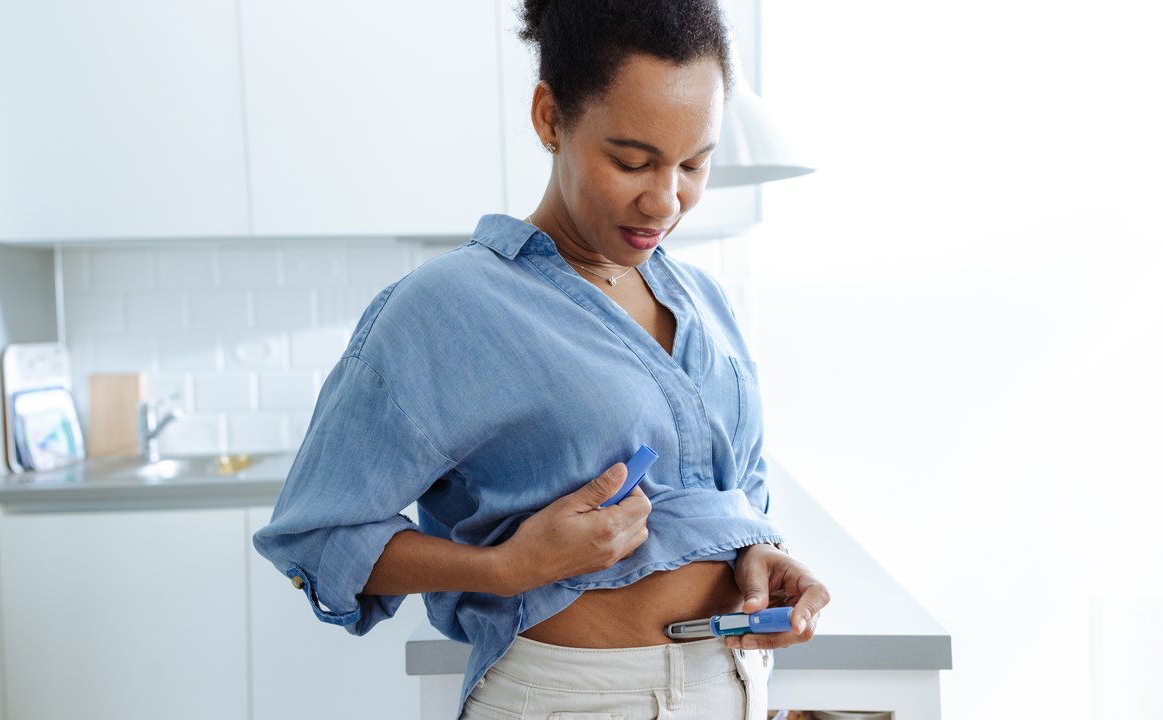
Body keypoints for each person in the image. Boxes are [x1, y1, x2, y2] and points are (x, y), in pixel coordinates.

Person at [253, 0, 830, 717]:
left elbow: (740, 486)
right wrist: (504, 568)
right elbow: (317, 536)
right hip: (573, 699)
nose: (664, 199)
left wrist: (757, 554)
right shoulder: (449, 305)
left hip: (732, 685)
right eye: (631, 160)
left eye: (694, 164)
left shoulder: (703, 299)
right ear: (550, 118)